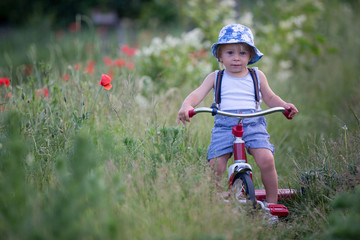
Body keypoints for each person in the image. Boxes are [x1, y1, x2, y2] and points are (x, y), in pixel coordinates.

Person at [177, 24, 298, 207]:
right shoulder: (216, 77)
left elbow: (270, 97)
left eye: (242, 53)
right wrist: (187, 105)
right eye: (230, 53)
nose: (236, 58)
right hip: (225, 126)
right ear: (220, 55)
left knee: (266, 159)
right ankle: (215, 204)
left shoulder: (257, 76)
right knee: (215, 165)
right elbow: (197, 94)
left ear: (250, 56)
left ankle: (272, 204)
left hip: (253, 124)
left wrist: (283, 106)